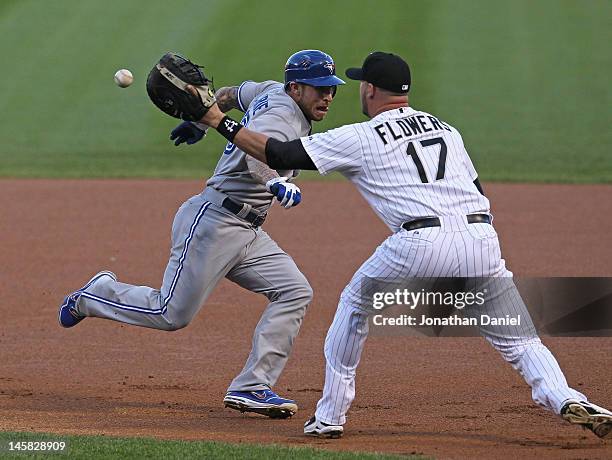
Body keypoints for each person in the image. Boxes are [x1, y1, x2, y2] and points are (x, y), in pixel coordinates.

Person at [196, 51, 612, 439]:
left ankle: (329, 417)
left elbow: (278, 150)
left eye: (359, 84)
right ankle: (566, 397)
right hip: (481, 236)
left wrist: (217, 119)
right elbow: (477, 189)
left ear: (371, 90)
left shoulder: (361, 135)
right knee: (521, 339)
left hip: (420, 240)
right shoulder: (447, 129)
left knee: (354, 310)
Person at [58, 49, 345, 419]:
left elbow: (227, 94)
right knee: (170, 314)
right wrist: (275, 182)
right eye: (318, 88)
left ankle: (252, 386)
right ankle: (93, 295)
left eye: (331, 89)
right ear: (296, 88)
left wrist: (199, 121)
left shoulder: (271, 90)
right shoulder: (282, 115)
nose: (328, 96)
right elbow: (257, 157)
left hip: (247, 230)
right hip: (214, 223)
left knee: (294, 291)